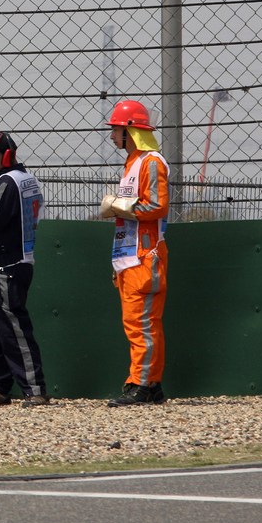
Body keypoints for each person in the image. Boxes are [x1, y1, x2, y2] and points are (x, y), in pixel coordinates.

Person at [0, 132, 50, 407]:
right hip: (13, 262)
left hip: (8, 266)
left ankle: (34, 388)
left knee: (14, 329)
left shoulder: (7, 180)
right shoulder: (26, 179)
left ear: (4, 156)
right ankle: (0, 387)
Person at [100, 100, 170, 407]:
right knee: (135, 322)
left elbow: (158, 206)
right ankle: (144, 383)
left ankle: (144, 384)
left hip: (145, 257)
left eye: (116, 129)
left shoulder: (151, 162)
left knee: (143, 323)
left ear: (130, 131)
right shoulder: (133, 164)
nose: (113, 135)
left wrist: (119, 206)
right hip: (129, 257)